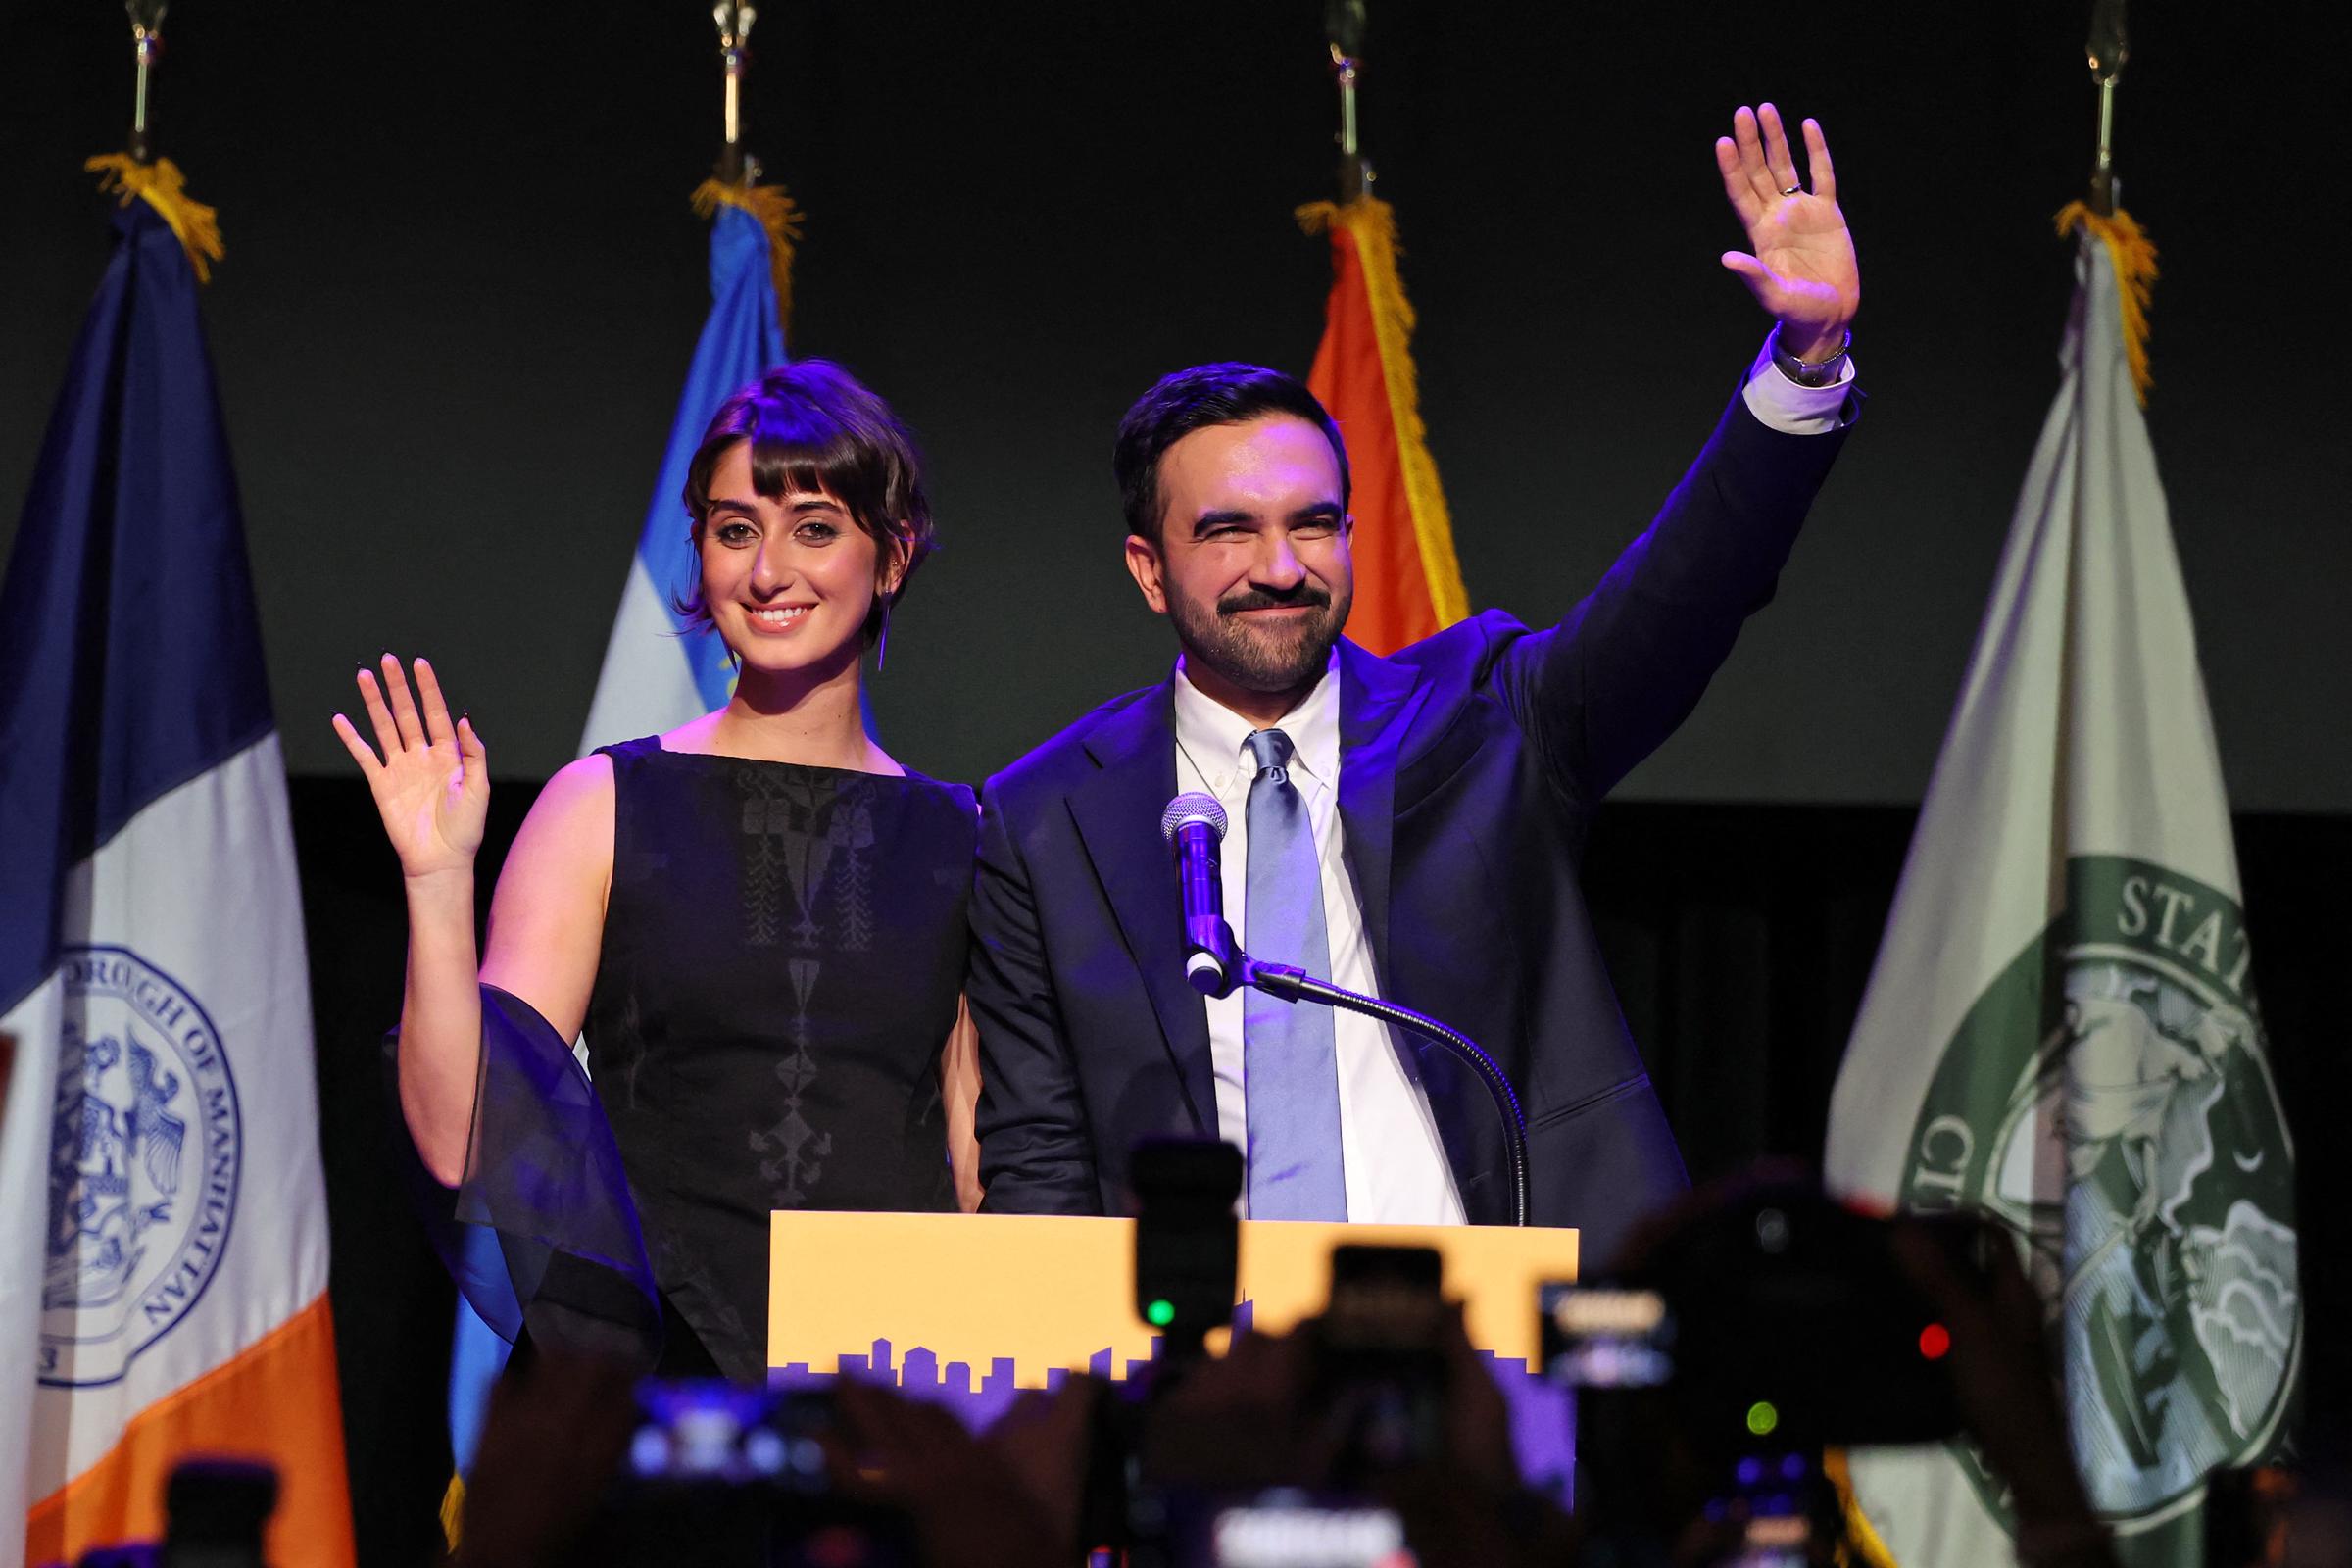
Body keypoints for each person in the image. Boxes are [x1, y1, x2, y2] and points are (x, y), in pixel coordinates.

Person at [966, 104, 1863, 1266]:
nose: (1280, 568)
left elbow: (1683, 601)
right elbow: (1040, 1164)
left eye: (1315, 525)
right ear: (1151, 568)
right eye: (1229, 531)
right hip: (1212, 1379)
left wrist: (1805, 368)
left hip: (1498, 1347)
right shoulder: (1044, 821)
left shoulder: (1489, 720)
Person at [334, 361, 981, 1385]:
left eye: (814, 527)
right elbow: (466, 1141)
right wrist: (436, 879)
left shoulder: (965, 836)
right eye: (734, 530)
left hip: (888, 1393)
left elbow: (977, 1167)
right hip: (645, 1394)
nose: (767, 570)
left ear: (892, 556)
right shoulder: (603, 805)